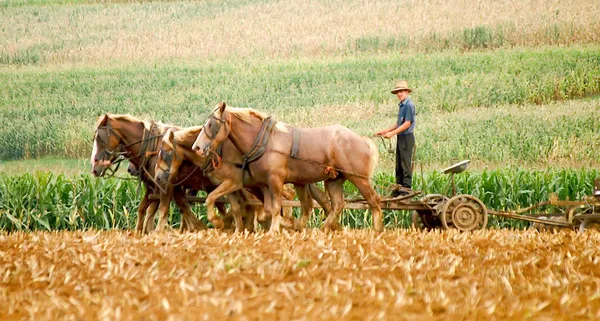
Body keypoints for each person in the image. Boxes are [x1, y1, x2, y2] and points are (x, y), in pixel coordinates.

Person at [375, 80, 416, 196]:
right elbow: (399, 123)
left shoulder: (409, 105)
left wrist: (392, 134)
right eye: (397, 92)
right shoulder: (402, 105)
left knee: (405, 163)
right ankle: (399, 187)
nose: (399, 94)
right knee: (398, 164)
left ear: (407, 92)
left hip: (407, 137)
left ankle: (406, 189)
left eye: (401, 91)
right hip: (401, 137)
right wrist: (386, 131)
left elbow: (407, 124)